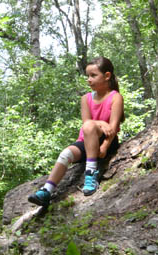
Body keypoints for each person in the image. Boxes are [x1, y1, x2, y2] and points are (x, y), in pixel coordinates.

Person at [28, 57, 124, 205]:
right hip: (86, 142)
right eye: (88, 76)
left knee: (90, 126)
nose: (89, 80)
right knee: (66, 154)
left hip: (107, 141)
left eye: (93, 75)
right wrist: (99, 122)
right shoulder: (86, 98)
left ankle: (90, 173)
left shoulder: (115, 97)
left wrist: (105, 146)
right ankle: (47, 190)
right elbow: (86, 123)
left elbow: (113, 128)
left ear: (107, 76)